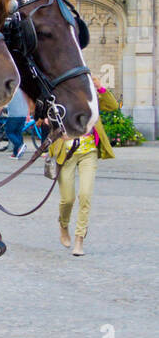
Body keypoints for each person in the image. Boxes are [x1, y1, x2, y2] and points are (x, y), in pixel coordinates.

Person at [48, 75, 118, 256]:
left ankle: (79, 239)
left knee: (85, 195)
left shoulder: (92, 98)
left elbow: (112, 106)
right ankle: (63, 225)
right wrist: (57, 130)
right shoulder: (61, 95)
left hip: (89, 153)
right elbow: (46, 117)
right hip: (66, 153)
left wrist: (100, 88)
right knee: (68, 199)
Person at [5, 88, 30, 159]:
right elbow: (28, 102)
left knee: (9, 132)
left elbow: (5, 101)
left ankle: (20, 145)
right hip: (23, 114)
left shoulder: (11, 89)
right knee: (18, 133)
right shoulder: (24, 90)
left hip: (14, 115)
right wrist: (27, 114)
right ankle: (15, 153)